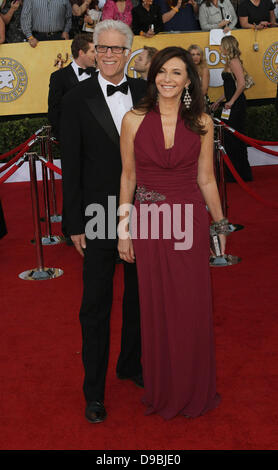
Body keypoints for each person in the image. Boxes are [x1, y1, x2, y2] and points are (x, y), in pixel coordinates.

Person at [118, 46, 225, 419]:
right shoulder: (132, 119)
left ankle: (193, 386)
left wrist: (220, 224)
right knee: (156, 305)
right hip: (148, 224)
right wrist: (123, 229)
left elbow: (207, 178)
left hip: (189, 223)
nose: (168, 79)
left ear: (188, 80)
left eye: (177, 73)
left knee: (190, 304)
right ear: (153, 75)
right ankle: (164, 386)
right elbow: (128, 177)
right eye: (163, 71)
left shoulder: (202, 122)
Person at [60, 19, 147, 424]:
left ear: (129, 51)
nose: (110, 55)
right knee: (95, 304)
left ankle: (131, 364)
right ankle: (93, 390)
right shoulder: (76, 99)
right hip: (97, 213)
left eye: (117, 48)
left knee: (140, 296)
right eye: (103, 48)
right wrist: (72, 222)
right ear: (94, 50)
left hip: (147, 210)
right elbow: (71, 165)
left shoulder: (148, 93)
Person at [211, 36, 253, 182]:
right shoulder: (229, 62)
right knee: (229, 138)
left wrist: (231, 102)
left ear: (227, 46)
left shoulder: (234, 62)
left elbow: (241, 84)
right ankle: (232, 172)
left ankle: (240, 173)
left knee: (235, 138)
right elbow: (230, 87)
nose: (220, 48)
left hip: (236, 105)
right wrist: (219, 100)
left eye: (221, 46)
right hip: (230, 104)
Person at [48, 33, 96, 140]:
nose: (96, 55)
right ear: (81, 53)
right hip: (71, 138)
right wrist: (64, 137)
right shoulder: (59, 77)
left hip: (97, 140)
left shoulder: (99, 74)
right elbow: (54, 111)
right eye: (92, 51)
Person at [188, 44, 210, 111]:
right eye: (193, 55)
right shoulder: (185, 69)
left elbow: (204, 90)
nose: (195, 57)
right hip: (186, 102)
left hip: (199, 102)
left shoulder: (204, 69)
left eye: (198, 54)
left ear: (201, 56)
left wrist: (193, 102)